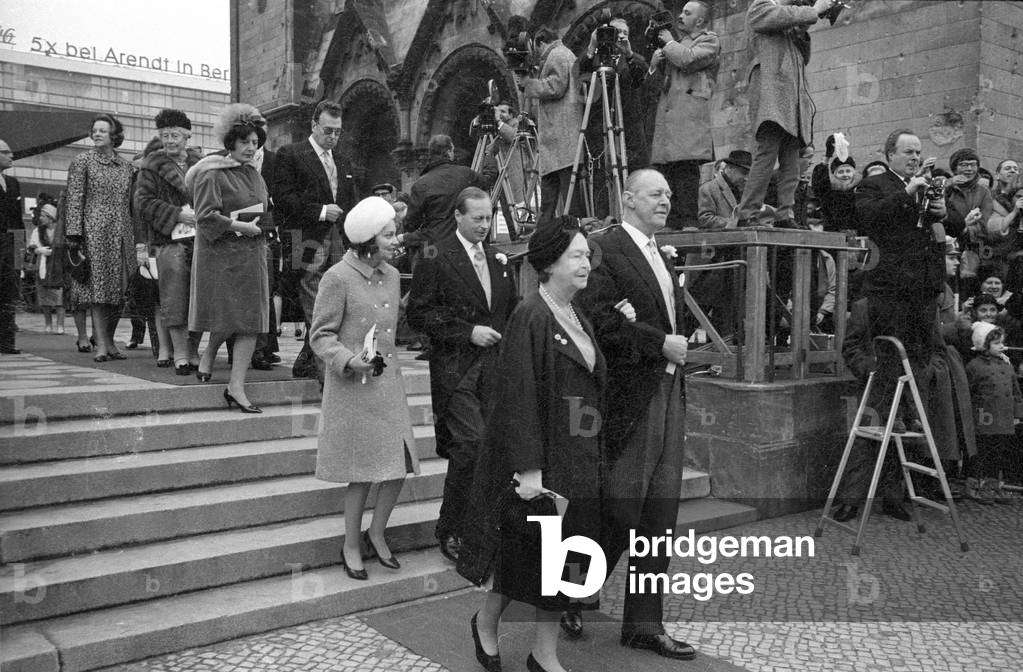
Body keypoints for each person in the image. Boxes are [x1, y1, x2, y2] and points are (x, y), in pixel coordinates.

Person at [457, 218, 606, 672]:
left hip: (580, 457)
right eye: (576, 255)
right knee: (528, 557)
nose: (586, 263)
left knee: (566, 561)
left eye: (587, 255)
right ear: (550, 263)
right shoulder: (532, 314)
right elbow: (518, 394)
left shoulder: (575, 312)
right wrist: (528, 468)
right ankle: (487, 622)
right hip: (546, 461)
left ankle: (543, 654)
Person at [574, 168, 694, 660]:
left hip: (669, 391)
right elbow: (597, 320)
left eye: (668, 194)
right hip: (630, 397)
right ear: (628, 199)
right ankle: (570, 590)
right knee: (621, 510)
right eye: (655, 193)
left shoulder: (663, 253)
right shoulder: (605, 247)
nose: (665, 201)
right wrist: (658, 342)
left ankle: (644, 623)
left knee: (660, 515)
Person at [405, 187, 519, 564]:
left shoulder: (499, 259)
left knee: (491, 450)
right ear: (458, 216)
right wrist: (467, 331)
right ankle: (450, 528)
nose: (485, 225)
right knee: (470, 445)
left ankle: (481, 528)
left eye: (489, 218)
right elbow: (419, 313)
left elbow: (511, 309)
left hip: (495, 370)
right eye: (477, 218)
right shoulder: (436, 255)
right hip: (456, 371)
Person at [310, 196, 421, 580]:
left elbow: (393, 323)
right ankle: (351, 544)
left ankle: (377, 533)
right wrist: (348, 359)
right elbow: (320, 336)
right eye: (388, 235)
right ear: (368, 240)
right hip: (353, 388)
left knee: (397, 466)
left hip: (387, 384)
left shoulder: (391, 274)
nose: (395, 240)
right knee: (360, 472)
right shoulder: (337, 277)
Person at [854, 128, 948, 428]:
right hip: (890, 287)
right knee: (891, 351)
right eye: (909, 152)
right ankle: (888, 415)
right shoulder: (873, 184)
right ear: (890, 154)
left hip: (923, 286)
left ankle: (912, 412)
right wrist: (907, 193)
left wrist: (942, 213)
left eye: (918, 152)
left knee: (920, 352)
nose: (915, 157)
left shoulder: (924, 186)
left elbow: (947, 228)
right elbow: (870, 218)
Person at [185, 120, 270, 411]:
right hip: (223, 257)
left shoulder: (255, 175)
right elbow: (205, 216)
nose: (251, 148)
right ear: (230, 143)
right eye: (245, 141)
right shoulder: (211, 173)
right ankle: (210, 352)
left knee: (250, 322)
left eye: (255, 143)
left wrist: (263, 225)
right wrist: (239, 226)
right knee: (228, 316)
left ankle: (236, 386)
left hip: (252, 255)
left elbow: (264, 208)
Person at [273, 100, 358, 381]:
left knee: (335, 300)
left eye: (337, 132)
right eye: (328, 130)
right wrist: (321, 211)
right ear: (313, 125)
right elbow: (283, 198)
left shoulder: (343, 161)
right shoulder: (291, 154)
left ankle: (307, 362)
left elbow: (350, 201)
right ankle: (327, 376)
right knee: (317, 303)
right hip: (306, 240)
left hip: (338, 240)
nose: (333, 137)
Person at [737, 0, 839, 227]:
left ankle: (785, 214)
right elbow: (772, 16)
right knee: (767, 153)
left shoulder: (787, 20)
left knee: (792, 158)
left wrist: (803, 28)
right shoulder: (761, 6)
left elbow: (804, 56)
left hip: (791, 98)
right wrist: (814, 10)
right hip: (771, 94)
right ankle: (748, 213)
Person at [135, 109, 203, 375]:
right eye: (165, 135)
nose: (170, 140)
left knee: (200, 296)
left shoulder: (201, 164)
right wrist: (176, 214)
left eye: (174, 135)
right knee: (174, 297)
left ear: (187, 136)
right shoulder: (151, 165)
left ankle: (194, 350)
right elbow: (142, 203)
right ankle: (181, 354)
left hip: (200, 239)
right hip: (169, 240)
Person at [64, 114, 134, 362]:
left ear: (114, 135)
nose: (97, 134)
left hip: (122, 233)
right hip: (93, 233)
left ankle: (110, 342)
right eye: (94, 130)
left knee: (120, 290)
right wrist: (74, 237)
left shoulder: (126, 166)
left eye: (103, 130)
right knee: (98, 290)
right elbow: (74, 199)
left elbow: (130, 203)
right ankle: (102, 345)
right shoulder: (82, 161)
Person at [648, 0, 721, 230]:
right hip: (670, 121)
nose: (680, 16)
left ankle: (690, 221)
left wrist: (669, 43)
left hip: (689, 119)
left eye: (687, 13)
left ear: (699, 21)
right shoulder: (676, 46)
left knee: (686, 171)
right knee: (668, 173)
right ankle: (671, 221)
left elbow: (688, 59)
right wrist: (654, 64)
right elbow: (660, 84)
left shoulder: (709, 40)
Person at [517, 22, 584, 222]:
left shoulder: (557, 54)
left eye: (536, 49)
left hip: (561, 136)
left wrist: (529, 84)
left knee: (562, 192)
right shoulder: (564, 54)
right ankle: (551, 227)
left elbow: (556, 86)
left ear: (541, 43)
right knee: (557, 190)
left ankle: (564, 228)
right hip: (560, 137)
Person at [401, 134, 490, 255]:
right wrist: (489, 155)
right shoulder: (465, 174)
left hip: (433, 249)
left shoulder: (421, 183)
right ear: (449, 152)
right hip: (462, 246)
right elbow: (488, 179)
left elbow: (410, 223)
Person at [965, 322, 1022, 503]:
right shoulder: (974, 366)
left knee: (998, 452)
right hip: (984, 417)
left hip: (1003, 417)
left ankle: (992, 485)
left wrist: (1017, 414)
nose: (1001, 346)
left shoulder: (1007, 364)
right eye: (996, 343)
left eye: (1002, 342)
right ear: (984, 344)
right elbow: (968, 393)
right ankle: (974, 485)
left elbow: (1015, 391)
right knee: (981, 451)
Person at [0, 138, 22, 354]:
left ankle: (7, 342)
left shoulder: (13, 183)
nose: (11, 155)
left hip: (9, 245)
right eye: (5, 152)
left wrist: (20, 255)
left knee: (8, 293)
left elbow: (18, 221)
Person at [28, 203, 64, 334]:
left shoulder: (61, 231)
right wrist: (39, 250)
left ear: (50, 217)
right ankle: (48, 324)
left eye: (43, 216)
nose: (41, 218)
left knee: (60, 298)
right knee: (45, 297)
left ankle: (60, 325)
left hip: (58, 266)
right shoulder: (37, 231)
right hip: (43, 265)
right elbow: (31, 247)